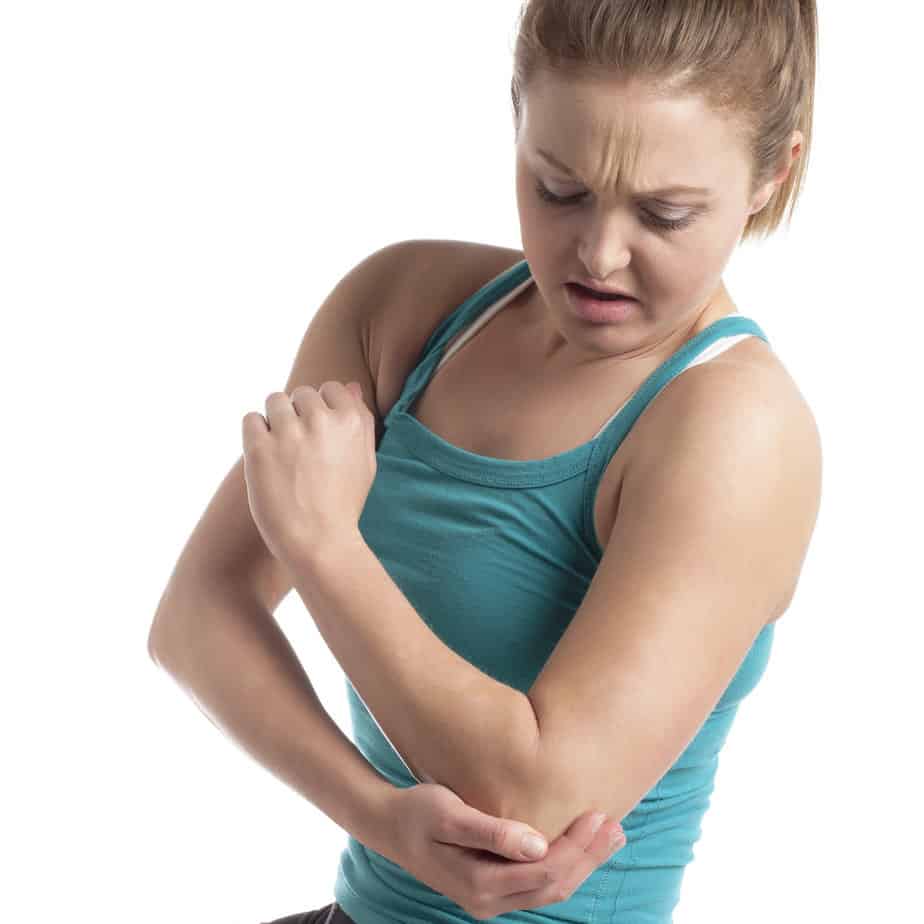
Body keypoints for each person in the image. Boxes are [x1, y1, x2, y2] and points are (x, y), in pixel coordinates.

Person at [151, 3, 821, 923]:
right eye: (560, 189)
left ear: (767, 176)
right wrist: (382, 820)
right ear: (518, 115)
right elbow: (194, 618)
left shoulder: (736, 426)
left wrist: (322, 548)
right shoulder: (402, 308)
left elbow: (531, 805)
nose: (600, 253)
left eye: (664, 214)